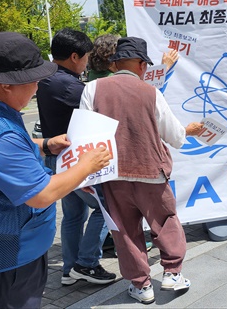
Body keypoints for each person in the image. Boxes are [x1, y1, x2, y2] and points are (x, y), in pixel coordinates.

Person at [0, 32, 112, 308]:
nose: (37, 87)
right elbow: (42, 194)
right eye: (34, 80)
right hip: (2, 261)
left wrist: (44, 145)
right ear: (6, 85)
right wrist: (87, 165)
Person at [80, 36, 203, 304]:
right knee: (165, 221)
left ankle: (141, 285)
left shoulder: (91, 89)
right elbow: (175, 137)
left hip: (112, 174)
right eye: (144, 64)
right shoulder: (151, 93)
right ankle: (172, 273)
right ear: (139, 64)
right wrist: (188, 131)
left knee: (124, 231)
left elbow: (85, 137)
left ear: (115, 63)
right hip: (151, 171)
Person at [36, 28, 117, 286]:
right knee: (106, 207)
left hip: (57, 157)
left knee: (73, 216)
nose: (87, 62)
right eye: (86, 57)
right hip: (75, 160)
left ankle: (69, 269)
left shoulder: (46, 78)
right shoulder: (69, 85)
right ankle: (87, 263)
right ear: (74, 56)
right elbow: (103, 109)